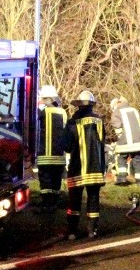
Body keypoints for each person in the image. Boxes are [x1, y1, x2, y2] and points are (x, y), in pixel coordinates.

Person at [63, 90, 107, 239]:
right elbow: (102, 143)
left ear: (79, 106)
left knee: (74, 200)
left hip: (77, 168)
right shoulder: (99, 121)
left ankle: (72, 232)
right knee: (93, 199)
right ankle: (92, 230)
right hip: (95, 168)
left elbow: (66, 146)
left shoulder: (71, 122)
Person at [35, 84, 67, 212]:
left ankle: (46, 204)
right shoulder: (62, 112)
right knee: (56, 180)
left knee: (46, 181)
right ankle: (55, 202)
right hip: (59, 155)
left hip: (45, 156)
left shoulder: (42, 113)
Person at [110, 96, 140, 186]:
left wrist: (119, 135)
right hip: (138, 141)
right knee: (138, 159)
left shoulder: (116, 112)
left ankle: (122, 178)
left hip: (124, 141)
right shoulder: (134, 110)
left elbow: (117, 127)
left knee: (121, 158)